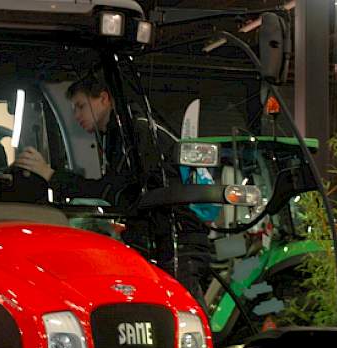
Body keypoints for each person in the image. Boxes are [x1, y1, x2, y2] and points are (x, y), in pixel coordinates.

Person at [14, 76, 211, 304]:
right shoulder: (119, 135)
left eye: (80, 106)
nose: (77, 115)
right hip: (162, 238)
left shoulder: (137, 133)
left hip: (177, 241)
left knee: (182, 313)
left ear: (104, 99)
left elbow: (116, 190)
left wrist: (50, 175)